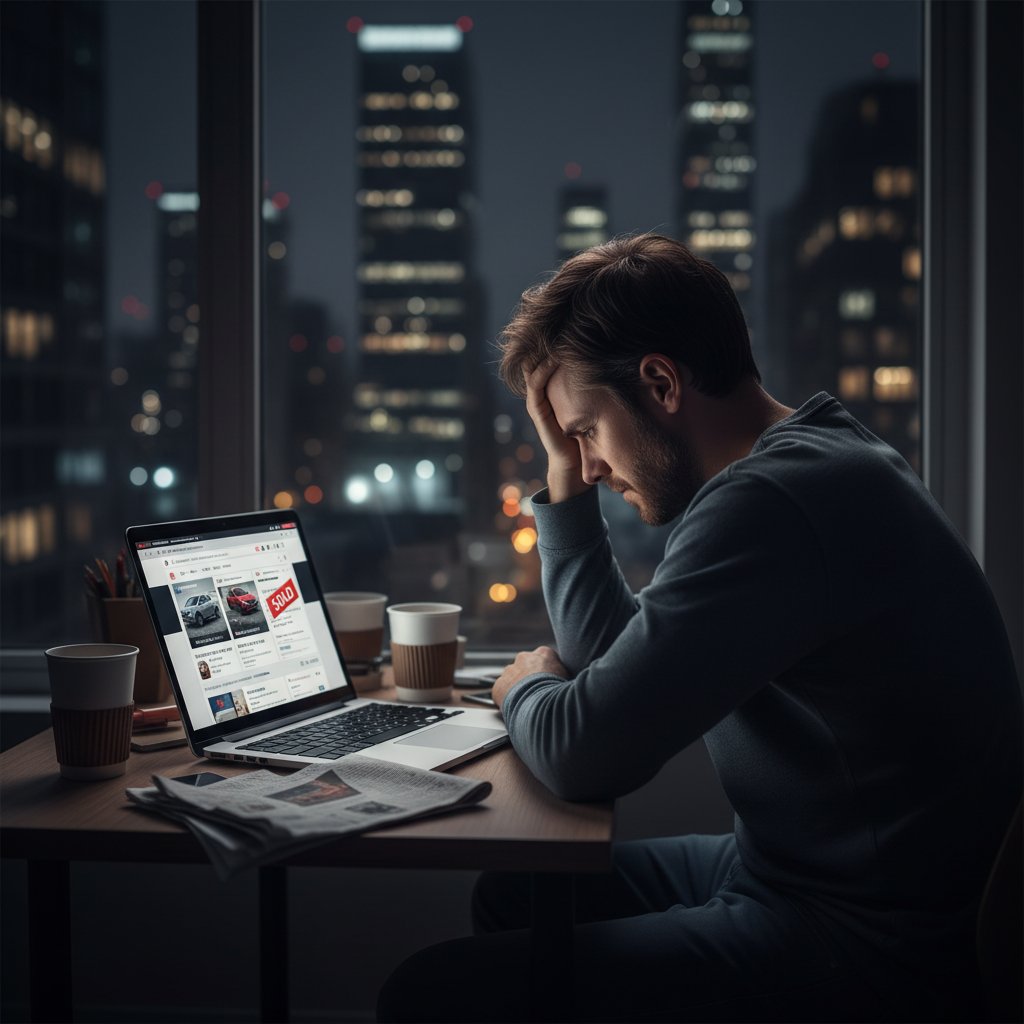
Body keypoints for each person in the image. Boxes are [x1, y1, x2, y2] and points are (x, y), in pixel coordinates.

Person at [376, 233, 1022, 1022]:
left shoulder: (774, 506)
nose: (587, 465)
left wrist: (528, 688)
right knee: (517, 895)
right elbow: (616, 669)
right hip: (782, 874)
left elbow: (585, 753)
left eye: (584, 431)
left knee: (427, 994)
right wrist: (564, 489)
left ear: (660, 382)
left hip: (866, 939)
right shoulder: (803, 463)